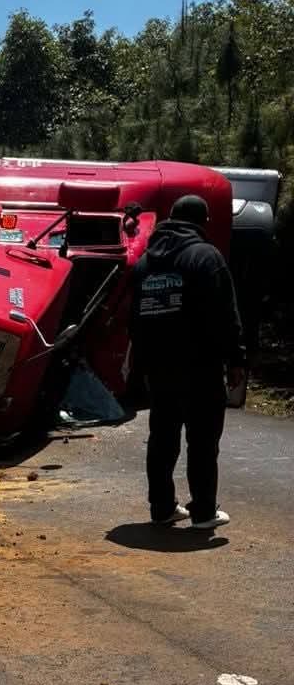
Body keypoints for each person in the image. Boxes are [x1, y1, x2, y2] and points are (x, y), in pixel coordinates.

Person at [131, 194, 246, 530]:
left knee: (163, 436)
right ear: (203, 222)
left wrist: (141, 364)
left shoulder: (144, 263)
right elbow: (226, 314)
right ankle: (204, 512)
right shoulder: (205, 257)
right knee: (203, 438)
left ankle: (162, 507)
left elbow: (134, 320)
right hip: (200, 365)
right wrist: (235, 359)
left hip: (159, 367)